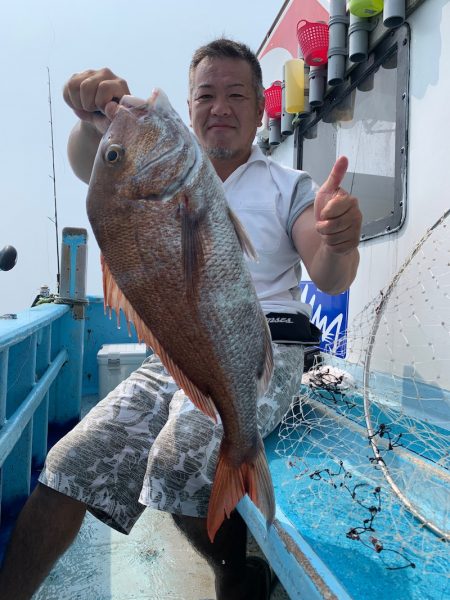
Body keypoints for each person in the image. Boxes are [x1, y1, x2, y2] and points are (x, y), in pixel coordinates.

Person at [0, 38, 362, 600]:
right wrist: (92, 118)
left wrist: (339, 240)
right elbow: (90, 160)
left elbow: (329, 272)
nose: (220, 106)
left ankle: (234, 571)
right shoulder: (162, 161)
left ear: (260, 109)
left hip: (263, 353)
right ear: (190, 106)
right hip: (178, 351)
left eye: (236, 94)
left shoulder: (290, 187)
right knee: (65, 466)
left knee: (178, 462)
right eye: (205, 94)